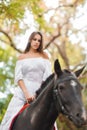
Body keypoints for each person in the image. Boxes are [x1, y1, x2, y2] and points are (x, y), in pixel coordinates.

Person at [0, 31, 53, 130]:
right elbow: (18, 77)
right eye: (34, 39)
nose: (36, 42)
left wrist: (38, 94)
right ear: (30, 40)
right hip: (22, 93)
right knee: (8, 119)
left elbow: (47, 77)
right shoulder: (21, 57)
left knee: (49, 120)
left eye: (39, 40)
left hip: (40, 92)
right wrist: (26, 94)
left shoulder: (44, 56)